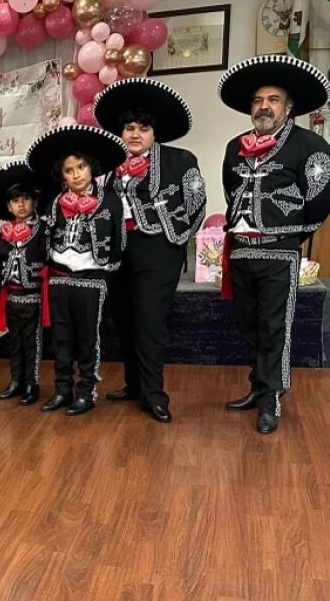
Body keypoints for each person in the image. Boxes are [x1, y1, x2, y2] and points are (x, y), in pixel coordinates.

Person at [217, 54, 330, 434]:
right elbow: (230, 189)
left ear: (289, 107)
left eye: (273, 100)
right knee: (249, 325)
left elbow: (320, 198)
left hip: (279, 251)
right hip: (242, 250)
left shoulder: (310, 145)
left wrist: (291, 236)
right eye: (257, 100)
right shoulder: (234, 146)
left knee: (275, 327)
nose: (263, 106)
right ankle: (258, 386)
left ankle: (271, 399)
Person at [93, 78, 206, 424]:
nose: (136, 134)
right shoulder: (106, 167)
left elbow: (197, 204)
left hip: (157, 250)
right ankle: (133, 385)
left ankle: (154, 396)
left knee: (150, 322)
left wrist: (174, 242)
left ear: (154, 131)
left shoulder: (181, 160)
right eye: (129, 128)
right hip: (118, 252)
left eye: (143, 128)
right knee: (124, 320)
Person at [27, 126, 128, 416]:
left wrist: (106, 270)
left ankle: (86, 391)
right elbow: (47, 236)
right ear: (62, 176)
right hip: (59, 276)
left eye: (81, 167)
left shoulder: (110, 200)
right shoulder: (57, 202)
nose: (76, 174)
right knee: (61, 337)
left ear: (90, 167)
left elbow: (119, 238)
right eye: (69, 170)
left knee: (88, 339)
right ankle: (61, 389)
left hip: (92, 278)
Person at [0, 161, 50, 406]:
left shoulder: (44, 231)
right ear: (8, 206)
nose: (21, 204)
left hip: (33, 297)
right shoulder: (2, 237)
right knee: (15, 343)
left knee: (33, 343)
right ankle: (15, 381)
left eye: (25, 199)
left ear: (34, 202)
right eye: (15, 200)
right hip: (11, 298)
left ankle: (32, 384)